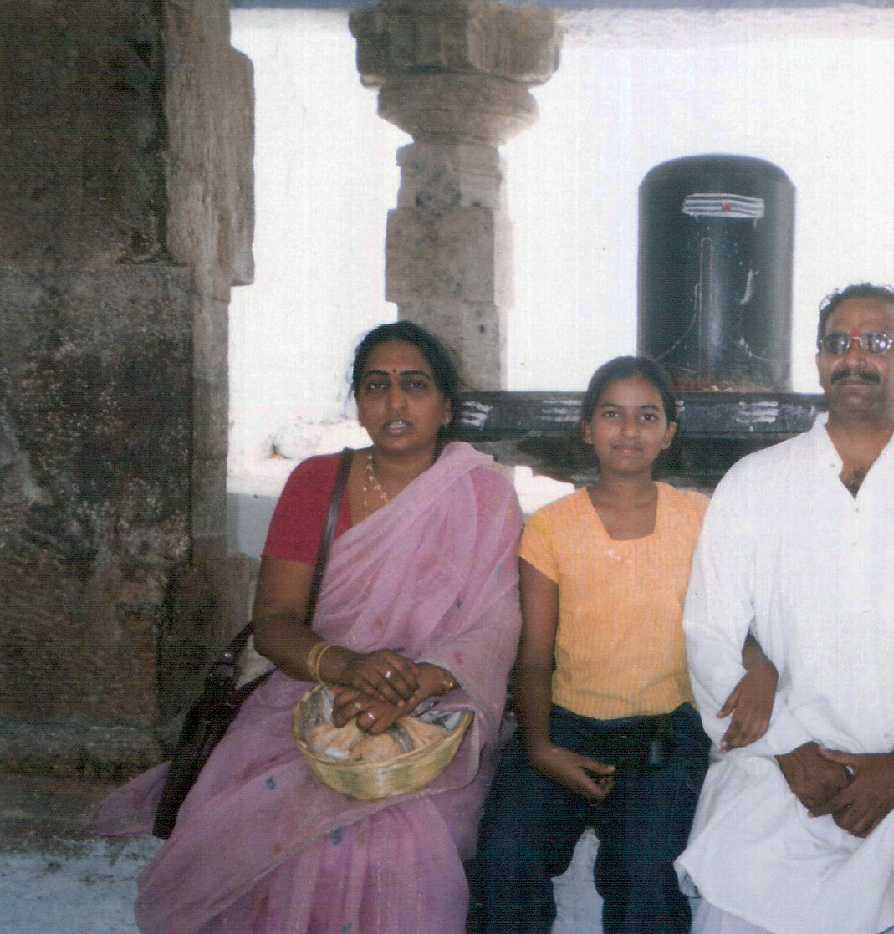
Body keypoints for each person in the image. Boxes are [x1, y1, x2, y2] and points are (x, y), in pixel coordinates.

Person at [93, 321, 524, 933]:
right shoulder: (315, 483)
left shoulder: (484, 496)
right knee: (278, 840)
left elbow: (494, 624)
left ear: (446, 405)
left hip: (437, 705)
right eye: (377, 386)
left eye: (415, 385)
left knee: (400, 844)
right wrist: (349, 667)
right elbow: (273, 624)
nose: (395, 403)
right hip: (307, 699)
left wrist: (419, 682)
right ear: (358, 401)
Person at [676, 284, 894, 934]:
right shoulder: (756, 483)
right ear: (819, 361)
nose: (855, 358)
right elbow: (710, 636)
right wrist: (789, 751)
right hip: (779, 762)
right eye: (838, 343)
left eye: (877, 342)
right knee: (737, 913)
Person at [468, 356, 776, 934]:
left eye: (647, 416)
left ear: (669, 434)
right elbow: (534, 656)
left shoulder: (701, 518)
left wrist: (760, 666)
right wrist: (539, 748)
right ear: (587, 427)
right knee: (505, 860)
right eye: (612, 414)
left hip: (665, 734)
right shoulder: (552, 527)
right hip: (564, 726)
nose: (628, 430)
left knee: (643, 875)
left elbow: (742, 621)